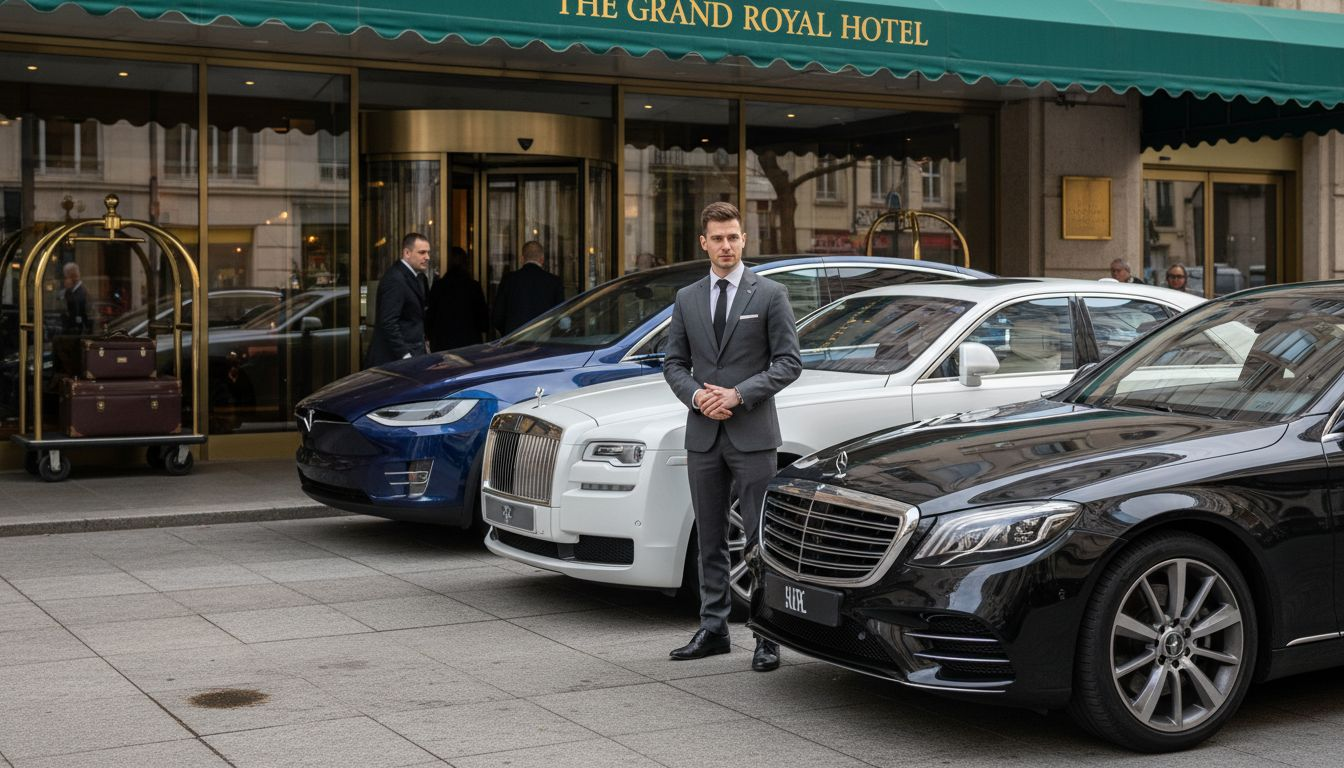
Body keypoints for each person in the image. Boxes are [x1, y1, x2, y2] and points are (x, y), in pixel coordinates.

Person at [662, 201, 802, 672]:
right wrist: (698, 398)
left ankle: (766, 634)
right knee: (710, 538)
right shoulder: (686, 298)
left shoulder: (770, 294)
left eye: (734, 237)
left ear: (744, 240)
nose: (726, 245)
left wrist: (739, 394)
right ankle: (714, 628)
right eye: (717, 238)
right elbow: (673, 363)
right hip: (703, 434)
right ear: (703, 242)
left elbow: (788, 362)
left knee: (760, 539)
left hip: (753, 434)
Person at [364, 233, 430, 367]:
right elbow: (388, 322)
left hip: (412, 355)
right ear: (407, 253)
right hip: (394, 360)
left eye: (428, 253)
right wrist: (405, 355)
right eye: (422, 252)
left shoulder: (420, 278)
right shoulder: (395, 279)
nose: (427, 257)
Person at [491, 240, 564, 336]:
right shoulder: (554, 281)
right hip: (543, 340)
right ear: (542, 259)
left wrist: (508, 334)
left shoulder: (509, 280)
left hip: (514, 339)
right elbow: (561, 315)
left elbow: (497, 317)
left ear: (522, 259)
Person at [426, 246, 489, 352]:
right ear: (466, 263)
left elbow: (430, 317)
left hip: (442, 344)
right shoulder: (473, 286)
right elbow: (483, 320)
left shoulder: (438, 286)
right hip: (469, 343)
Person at [61, 262, 91, 334]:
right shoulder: (70, 290)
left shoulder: (81, 291)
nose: (65, 279)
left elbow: (78, 310)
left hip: (76, 329)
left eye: (66, 276)